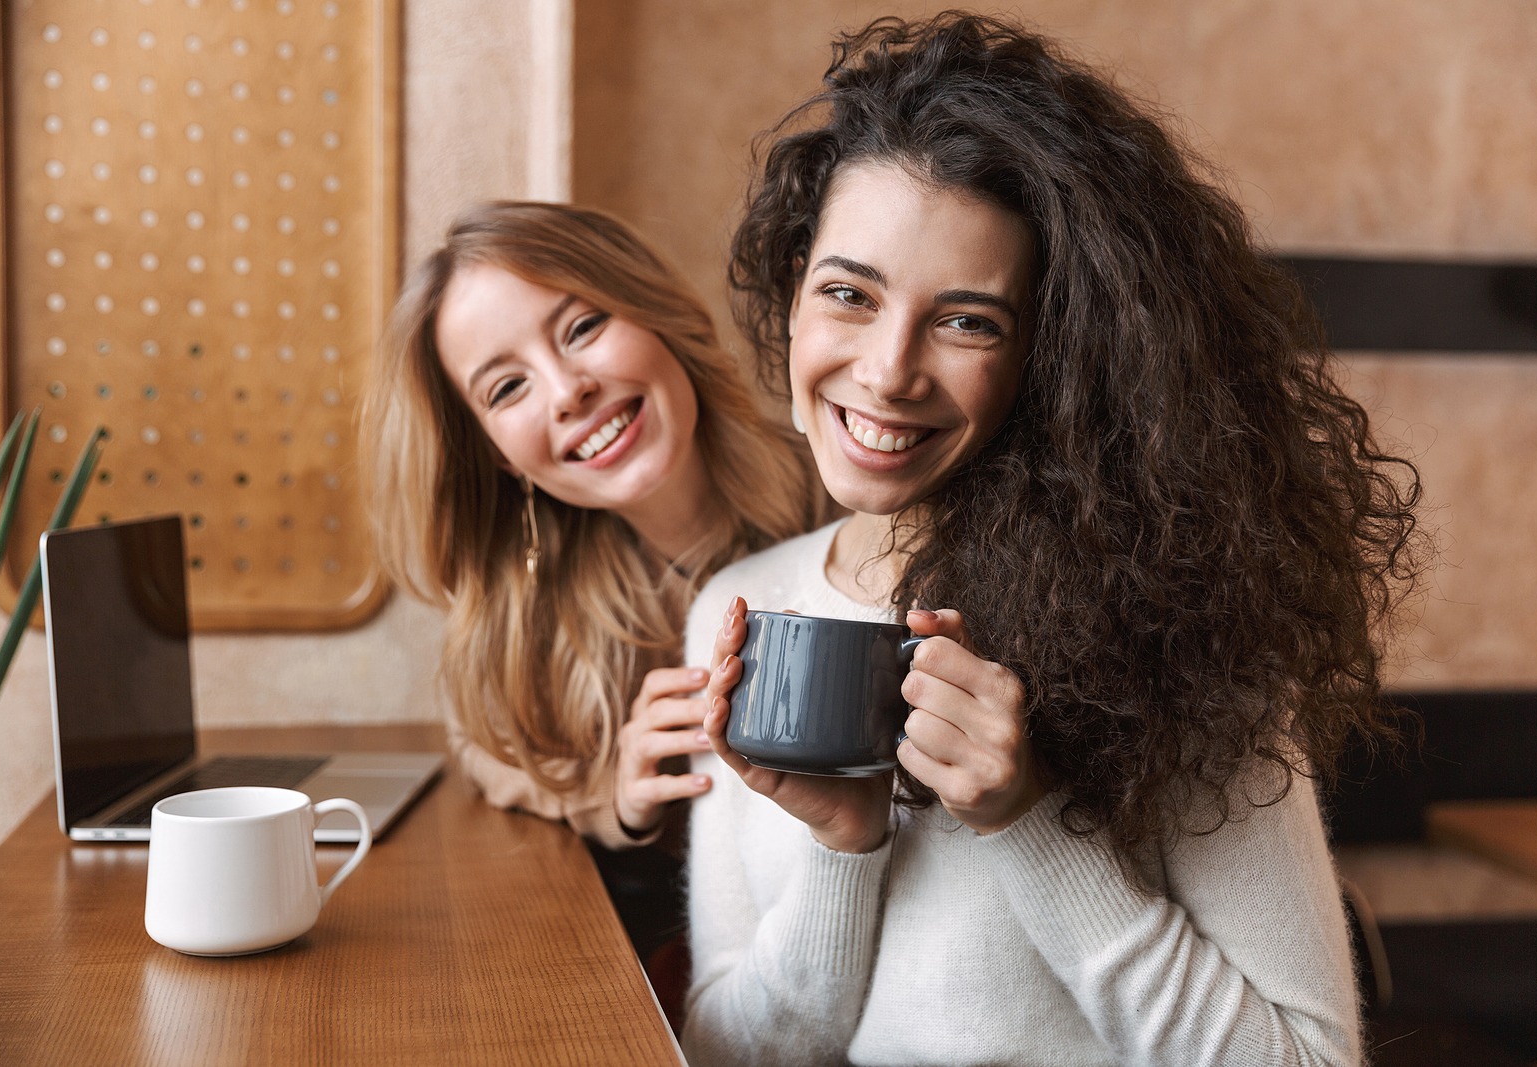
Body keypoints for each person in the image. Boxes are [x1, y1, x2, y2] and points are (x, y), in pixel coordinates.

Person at [681, 14, 1422, 1066]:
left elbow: (1306, 1059)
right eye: (849, 292)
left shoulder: (1178, 617)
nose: (888, 370)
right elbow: (727, 1054)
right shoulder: (734, 610)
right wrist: (845, 845)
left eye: (967, 320)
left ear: (1054, 353)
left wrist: (1028, 818)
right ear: (796, 291)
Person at [363, 201, 822, 850]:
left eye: (582, 327)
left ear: (653, 310)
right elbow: (488, 750)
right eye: (506, 388)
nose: (566, 390)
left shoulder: (847, 494)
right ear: (498, 453)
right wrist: (612, 795)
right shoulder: (526, 616)